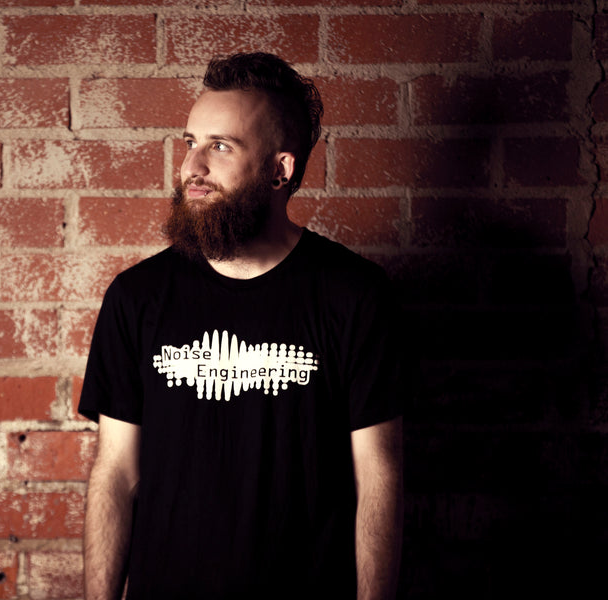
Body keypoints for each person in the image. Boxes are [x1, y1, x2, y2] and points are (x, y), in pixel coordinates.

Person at [79, 52, 406, 600]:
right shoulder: (137, 297)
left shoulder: (356, 296)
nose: (192, 168)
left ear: (282, 169)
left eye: (220, 146)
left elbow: (379, 478)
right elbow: (115, 473)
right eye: (190, 143)